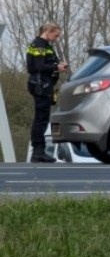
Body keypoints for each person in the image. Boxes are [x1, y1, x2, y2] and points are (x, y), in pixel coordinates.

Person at [26, 22, 67, 163]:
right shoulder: (39, 45)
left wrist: (57, 66)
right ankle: (38, 151)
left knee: (42, 118)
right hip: (40, 85)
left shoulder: (45, 45)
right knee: (41, 119)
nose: (56, 38)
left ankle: (38, 151)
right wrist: (57, 67)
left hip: (44, 84)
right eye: (56, 35)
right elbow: (39, 66)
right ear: (48, 31)